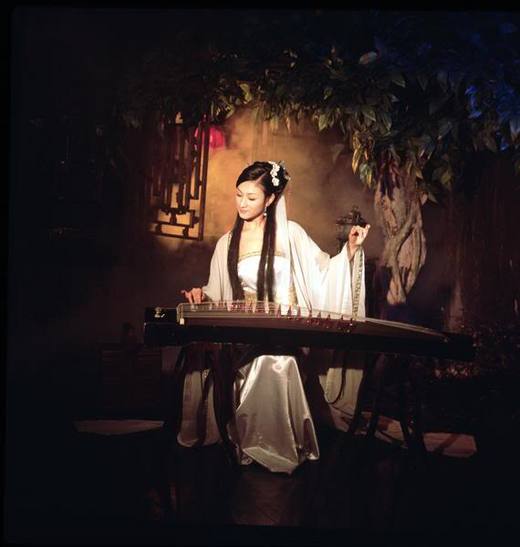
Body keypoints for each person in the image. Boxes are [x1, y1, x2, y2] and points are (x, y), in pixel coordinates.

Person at [179, 161, 370, 474]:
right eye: (239, 195)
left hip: (288, 333)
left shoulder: (290, 234)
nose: (242, 203)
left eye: (251, 197)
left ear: (269, 199)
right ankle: (255, 442)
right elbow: (217, 291)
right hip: (246, 336)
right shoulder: (227, 243)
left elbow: (323, 274)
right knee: (266, 360)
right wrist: (202, 296)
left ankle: (281, 446)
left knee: (282, 361)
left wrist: (349, 251)